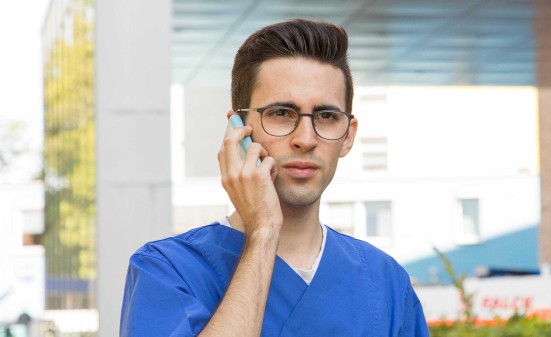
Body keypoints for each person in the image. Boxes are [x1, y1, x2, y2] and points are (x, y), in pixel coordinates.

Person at [120, 19, 429, 337]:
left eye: (326, 116)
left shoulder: (385, 281)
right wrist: (263, 233)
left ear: (348, 137)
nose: (306, 139)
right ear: (237, 129)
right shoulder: (168, 271)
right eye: (281, 113)